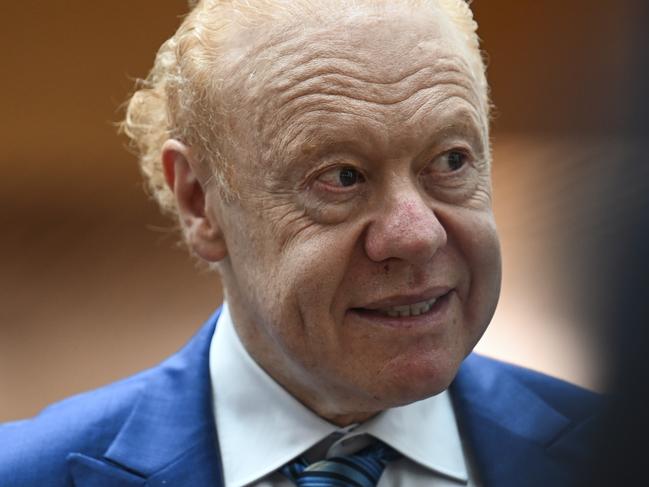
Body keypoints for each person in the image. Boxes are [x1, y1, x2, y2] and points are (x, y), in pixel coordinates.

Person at [0, 1, 600, 486]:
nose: (417, 235)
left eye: (450, 160)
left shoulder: (614, 455)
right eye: (342, 176)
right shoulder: (32, 474)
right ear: (199, 202)